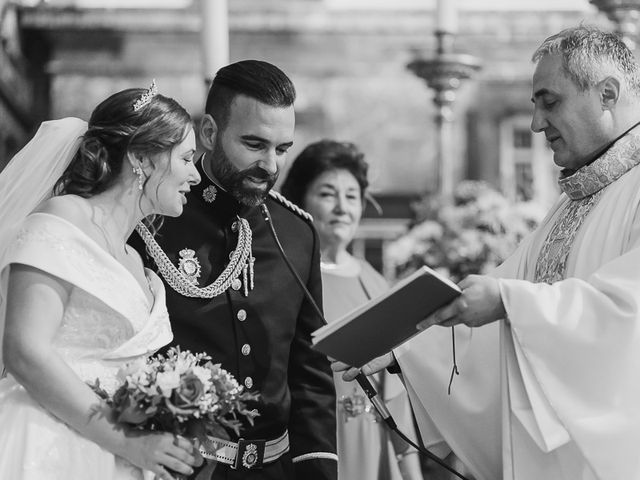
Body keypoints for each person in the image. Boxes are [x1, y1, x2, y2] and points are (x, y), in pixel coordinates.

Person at [335, 25, 640, 480]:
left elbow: (626, 312)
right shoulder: (572, 203)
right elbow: (490, 305)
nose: (537, 123)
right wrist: (408, 350)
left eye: (549, 102)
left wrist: (506, 302)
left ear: (608, 93)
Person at [131, 60, 337, 479]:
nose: (271, 166)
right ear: (209, 133)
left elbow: (310, 373)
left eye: (282, 149)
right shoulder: (153, 218)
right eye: (255, 144)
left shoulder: (298, 232)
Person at [0, 84, 203, 479]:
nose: (195, 175)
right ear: (142, 157)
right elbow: (24, 350)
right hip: (49, 443)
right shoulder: (63, 218)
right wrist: (126, 441)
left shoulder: (135, 259)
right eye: (187, 159)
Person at [280, 139, 425, 480]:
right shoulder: (289, 278)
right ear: (300, 200)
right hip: (314, 444)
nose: (342, 207)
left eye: (352, 196)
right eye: (328, 194)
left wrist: (411, 468)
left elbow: (397, 392)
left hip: (375, 440)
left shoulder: (374, 281)